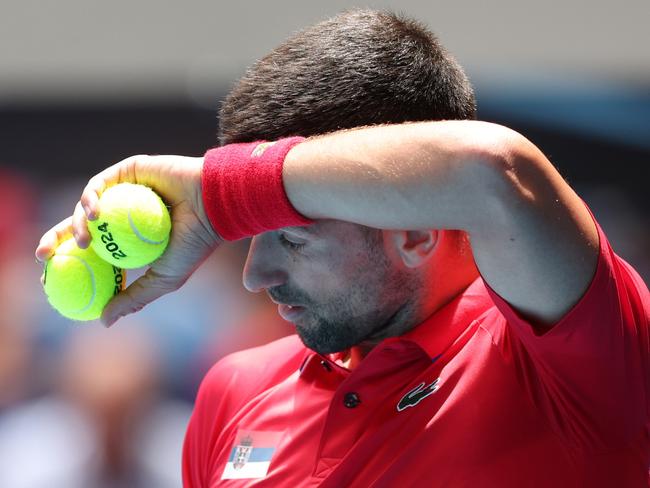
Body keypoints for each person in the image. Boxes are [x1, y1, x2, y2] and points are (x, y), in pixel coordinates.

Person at [35, 9, 649, 487]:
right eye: (250, 237)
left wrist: (216, 191)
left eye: (292, 238)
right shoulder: (236, 392)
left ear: (415, 229)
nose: (256, 275)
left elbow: (492, 173)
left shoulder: (571, 361)